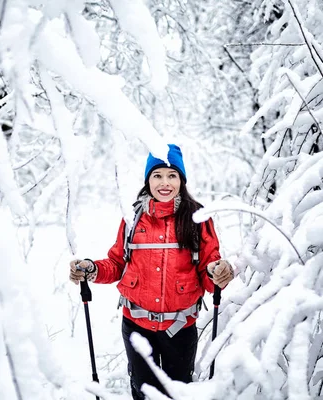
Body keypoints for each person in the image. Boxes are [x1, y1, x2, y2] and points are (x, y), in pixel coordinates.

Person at [69, 144, 234, 400]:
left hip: (180, 327)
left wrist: (218, 272)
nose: (164, 183)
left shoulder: (197, 218)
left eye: (172, 175)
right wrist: (91, 269)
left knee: (178, 394)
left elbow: (209, 267)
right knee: (143, 392)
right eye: (157, 175)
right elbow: (116, 264)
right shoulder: (132, 218)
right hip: (137, 325)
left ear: (182, 180)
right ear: (148, 180)